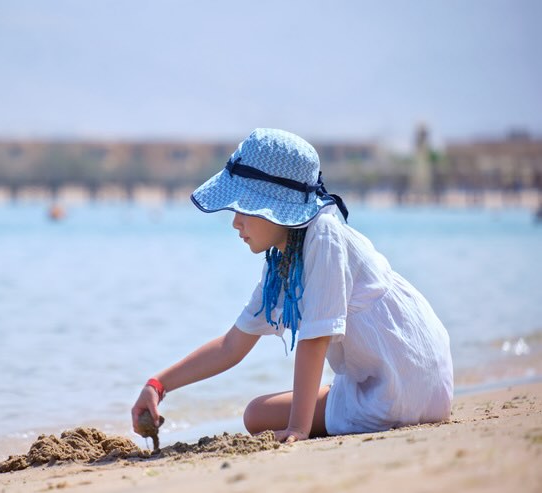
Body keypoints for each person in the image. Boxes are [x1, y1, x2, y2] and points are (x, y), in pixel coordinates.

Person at [131, 128, 453, 443]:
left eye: (244, 206)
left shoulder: (324, 235)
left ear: (276, 205)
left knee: (263, 416)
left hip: (401, 385)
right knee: (255, 415)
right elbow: (232, 346)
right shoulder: (285, 262)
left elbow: (315, 338)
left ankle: (319, 415)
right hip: (407, 382)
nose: (235, 221)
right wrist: (158, 384)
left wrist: (298, 427)